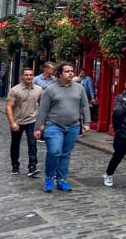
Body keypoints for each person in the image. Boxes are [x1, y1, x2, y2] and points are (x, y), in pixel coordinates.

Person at [34, 62, 91, 192]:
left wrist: (87, 123)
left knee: (65, 154)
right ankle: (49, 177)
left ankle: (61, 180)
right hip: (54, 125)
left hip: (73, 126)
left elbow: (84, 106)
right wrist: (38, 127)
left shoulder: (79, 88)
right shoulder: (50, 90)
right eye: (67, 71)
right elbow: (43, 110)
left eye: (72, 71)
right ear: (59, 74)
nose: (71, 73)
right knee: (54, 151)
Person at [5, 68, 42, 176]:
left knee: (32, 143)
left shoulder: (39, 89)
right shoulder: (15, 90)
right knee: (15, 144)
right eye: (26, 75)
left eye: (31, 75)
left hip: (32, 120)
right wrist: (12, 122)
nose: (29, 77)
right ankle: (15, 165)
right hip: (18, 121)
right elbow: (8, 107)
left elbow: (42, 105)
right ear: (22, 76)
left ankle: (32, 166)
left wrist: (42, 121)